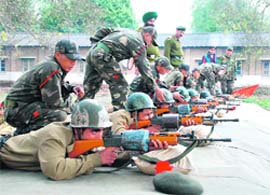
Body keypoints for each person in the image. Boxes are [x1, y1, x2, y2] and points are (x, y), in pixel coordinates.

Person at [0, 99, 120, 180]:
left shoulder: (79, 137)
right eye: (95, 131)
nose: (100, 136)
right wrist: (97, 158)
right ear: (78, 129)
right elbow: (55, 170)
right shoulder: (55, 135)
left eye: (102, 130)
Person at [4, 39, 84, 135]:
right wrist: (75, 107)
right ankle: (21, 135)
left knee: (66, 101)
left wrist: (71, 88)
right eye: (70, 59)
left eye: (75, 60)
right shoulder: (51, 67)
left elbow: (57, 86)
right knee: (59, 116)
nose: (73, 63)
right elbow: (54, 103)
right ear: (58, 55)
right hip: (16, 111)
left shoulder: (54, 65)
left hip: (22, 107)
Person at [83, 26, 166, 111]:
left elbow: (104, 30)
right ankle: (120, 114)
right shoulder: (139, 43)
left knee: (90, 88)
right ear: (147, 34)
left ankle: (79, 112)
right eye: (152, 41)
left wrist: (95, 44)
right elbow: (144, 69)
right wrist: (156, 89)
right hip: (103, 56)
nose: (150, 44)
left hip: (93, 53)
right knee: (120, 85)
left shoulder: (126, 31)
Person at [109, 92, 193, 175]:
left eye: (151, 113)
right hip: (111, 154)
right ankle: (171, 171)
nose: (150, 117)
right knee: (149, 161)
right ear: (134, 113)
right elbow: (120, 136)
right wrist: (147, 133)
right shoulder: (120, 115)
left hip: (124, 154)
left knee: (175, 150)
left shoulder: (140, 120)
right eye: (147, 114)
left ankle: (174, 169)